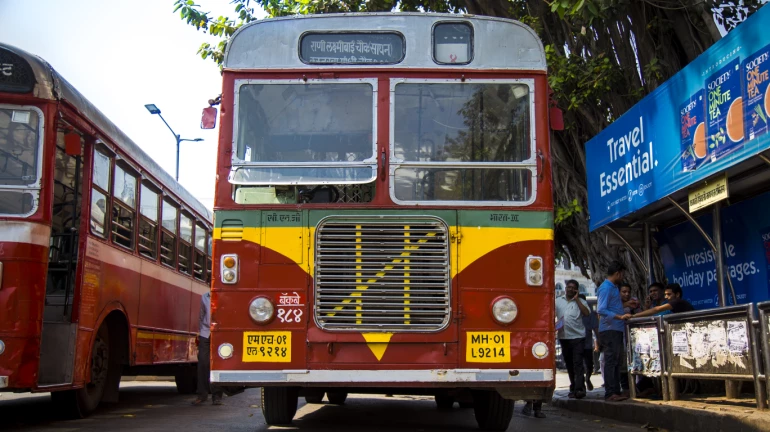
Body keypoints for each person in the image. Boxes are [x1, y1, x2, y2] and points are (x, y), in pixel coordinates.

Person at [597, 260, 628, 402]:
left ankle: (616, 390)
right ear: (617, 273)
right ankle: (610, 392)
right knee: (611, 361)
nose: (623, 277)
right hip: (610, 329)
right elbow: (601, 309)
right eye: (622, 274)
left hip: (616, 328)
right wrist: (620, 316)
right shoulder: (606, 288)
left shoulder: (613, 287)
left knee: (615, 361)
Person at [555, 279, 591, 399]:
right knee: (569, 364)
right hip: (564, 337)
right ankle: (573, 387)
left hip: (578, 337)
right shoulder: (558, 301)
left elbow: (586, 313)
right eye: (568, 287)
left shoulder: (581, 301)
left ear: (576, 290)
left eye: (573, 287)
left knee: (578, 363)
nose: (570, 289)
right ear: (565, 288)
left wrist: (577, 299)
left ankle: (580, 389)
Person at [192, 291, 224, 406]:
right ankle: (202, 395)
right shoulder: (204, 296)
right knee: (203, 363)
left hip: (219, 333)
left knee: (216, 364)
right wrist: (201, 331)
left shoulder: (223, 295)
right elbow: (201, 315)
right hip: (205, 333)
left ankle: (217, 396)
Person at [624, 283, 694, 318]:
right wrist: (647, 307)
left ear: (677, 294)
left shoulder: (677, 301)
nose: (666, 297)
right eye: (665, 294)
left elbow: (657, 310)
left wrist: (633, 316)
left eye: (669, 294)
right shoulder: (653, 304)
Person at [578, 293, 599, 391]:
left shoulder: (590, 314)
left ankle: (588, 378)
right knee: (578, 365)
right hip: (576, 343)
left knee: (589, 364)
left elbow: (595, 327)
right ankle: (580, 385)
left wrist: (599, 340)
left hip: (587, 344)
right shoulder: (572, 312)